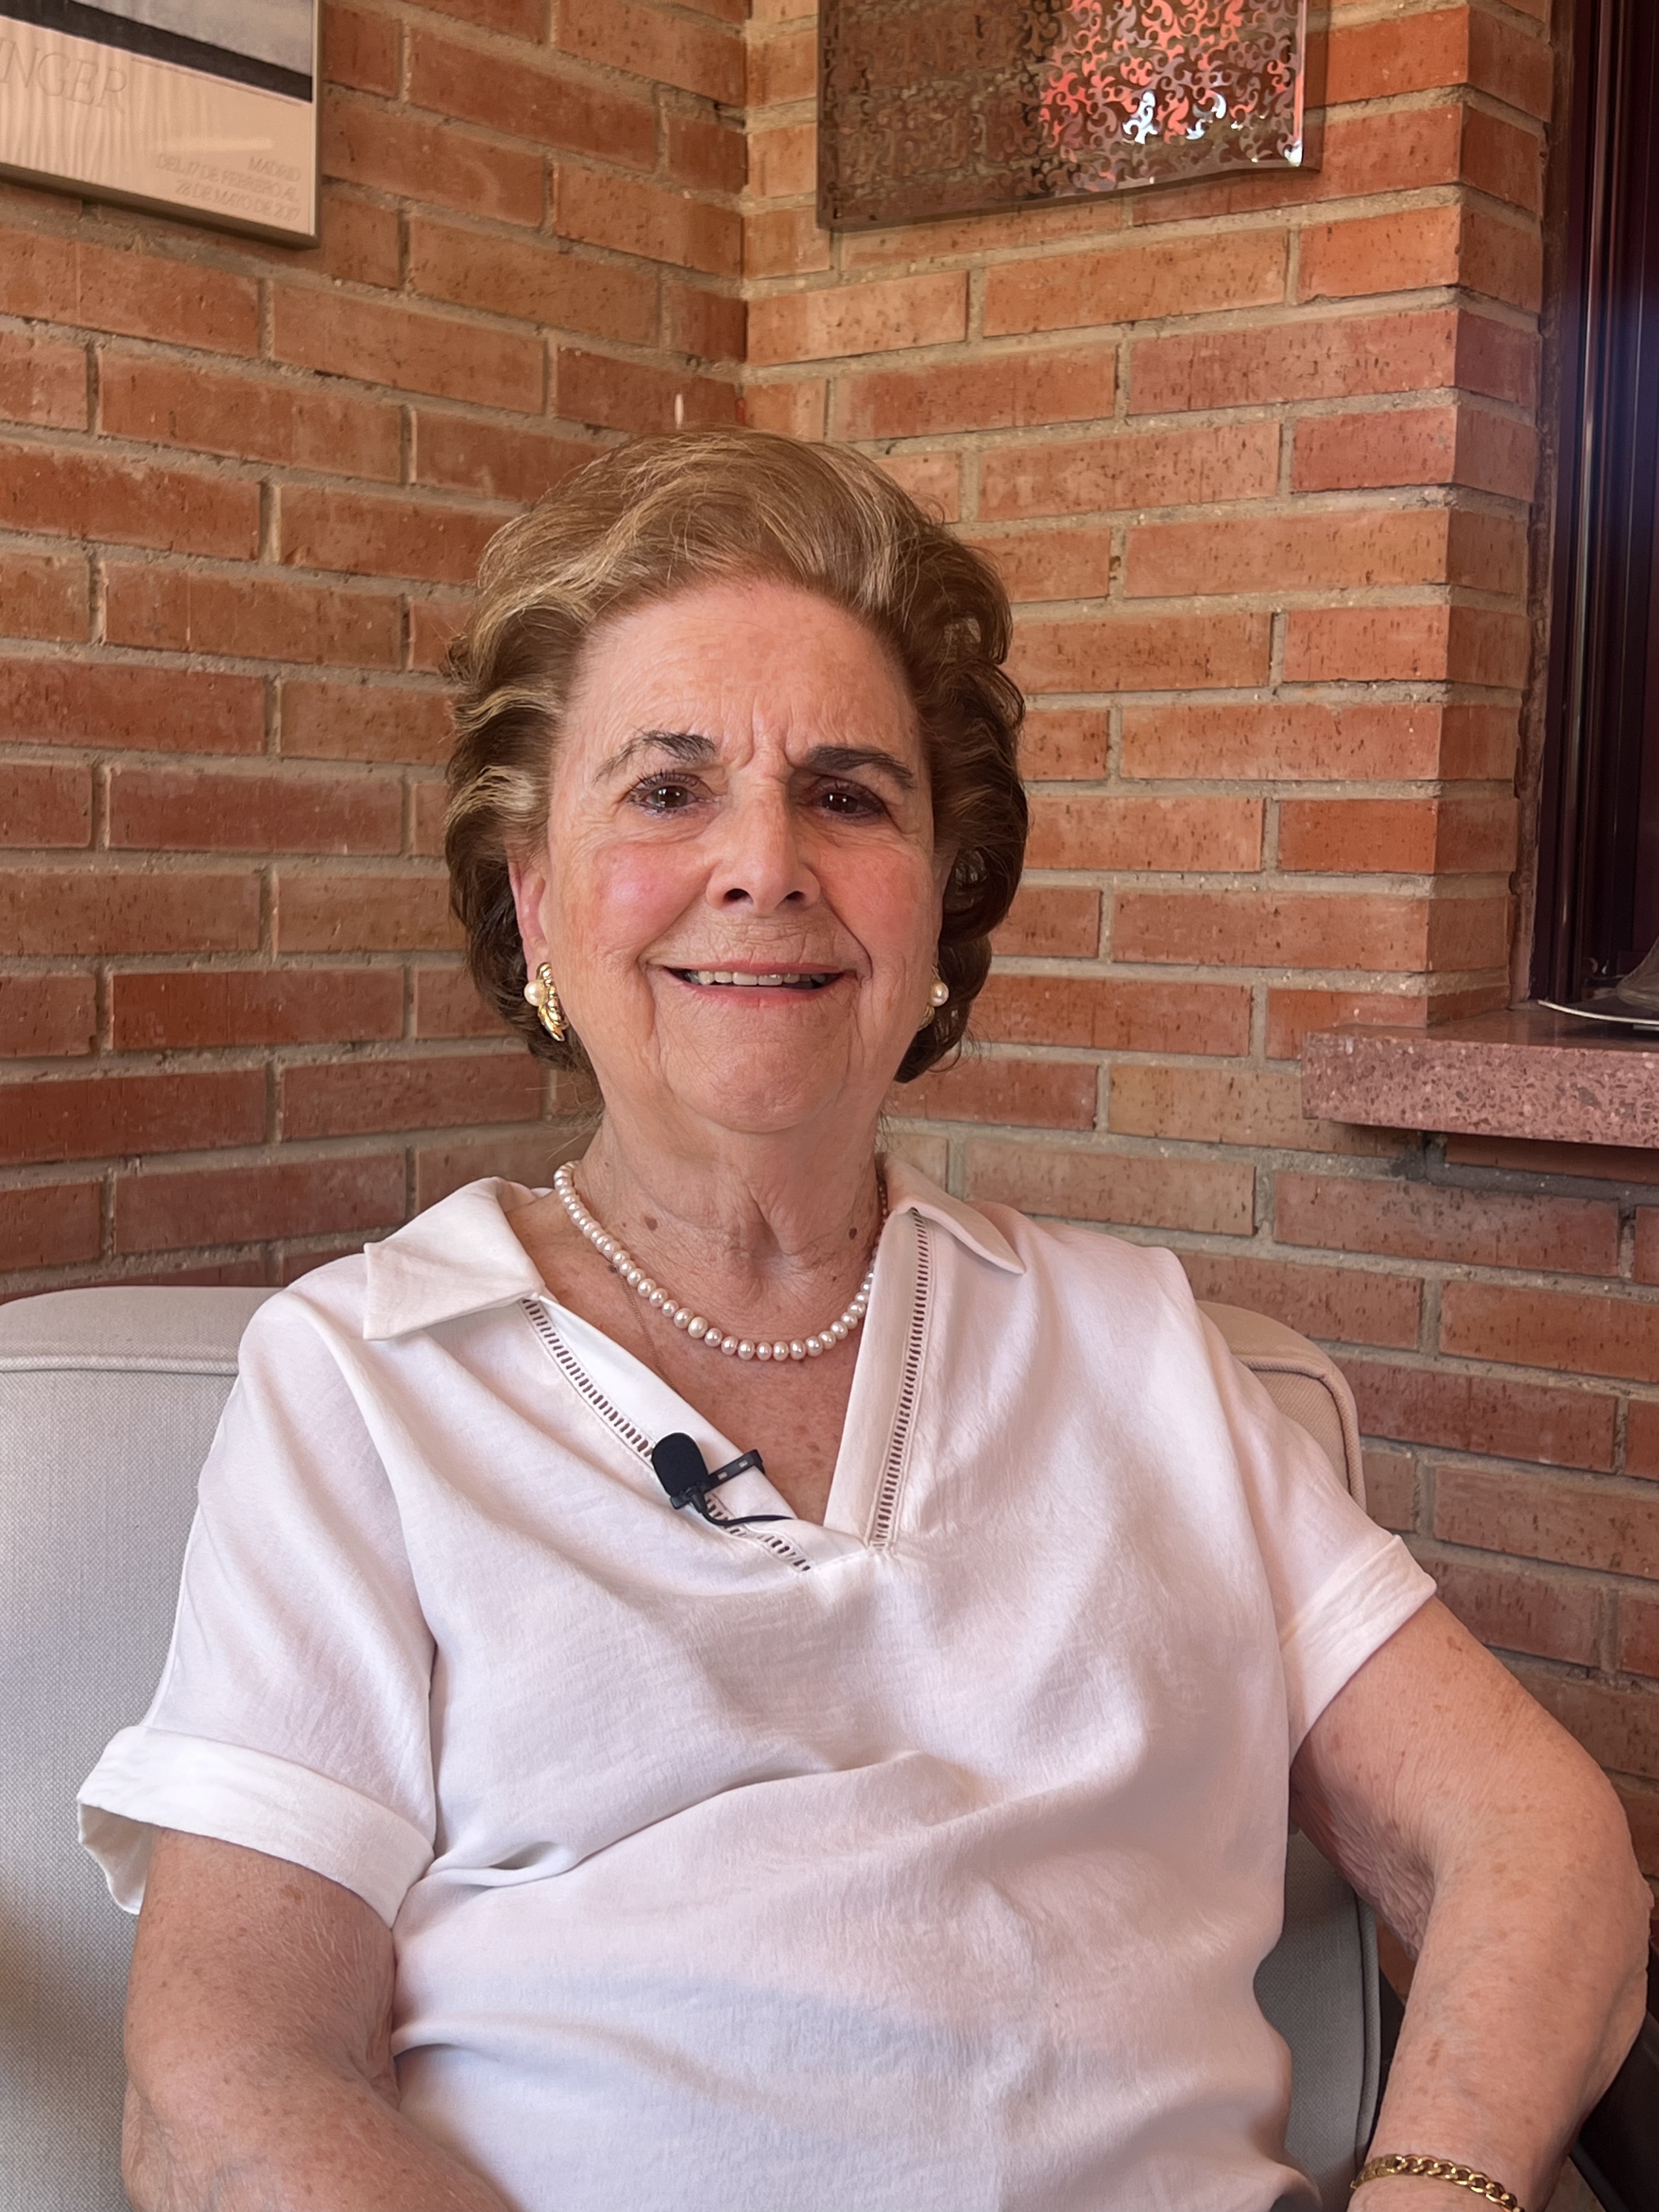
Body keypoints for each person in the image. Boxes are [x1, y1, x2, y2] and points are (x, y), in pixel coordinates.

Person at [80, 431, 1647, 2212]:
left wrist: (1441, 2188)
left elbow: (1531, 1836)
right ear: (536, 902)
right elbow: (229, 2078)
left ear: (938, 907)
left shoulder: (1139, 1350)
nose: (766, 863)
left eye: (848, 795)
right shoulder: (367, 1382)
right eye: (667, 790)